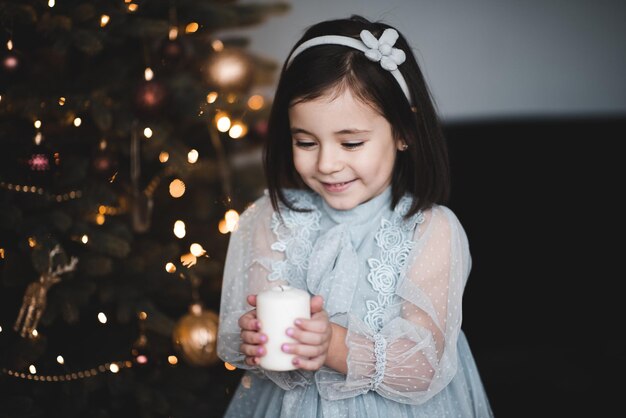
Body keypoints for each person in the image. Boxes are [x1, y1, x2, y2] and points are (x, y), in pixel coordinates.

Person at [217, 14, 494, 418]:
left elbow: (423, 364)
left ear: (404, 132)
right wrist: (255, 339)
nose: (328, 163)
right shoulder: (271, 219)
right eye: (306, 142)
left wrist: (331, 345)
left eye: (351, 143)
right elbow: (249, 328)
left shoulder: (431, 230)